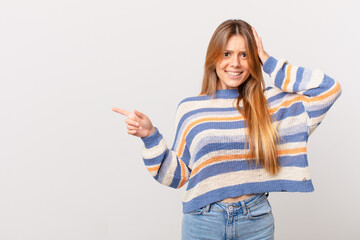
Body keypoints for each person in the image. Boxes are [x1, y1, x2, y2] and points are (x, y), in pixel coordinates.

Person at [112, 19, 342, 240]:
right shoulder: (191, 108)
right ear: (213, 58)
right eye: (226, 54)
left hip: (256, 219)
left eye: (244, 55)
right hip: (203, 220)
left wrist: (268, 60)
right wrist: (150, 136)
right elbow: (177, 176)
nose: (235, 63)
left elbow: (329, 89)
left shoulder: (270, 104)